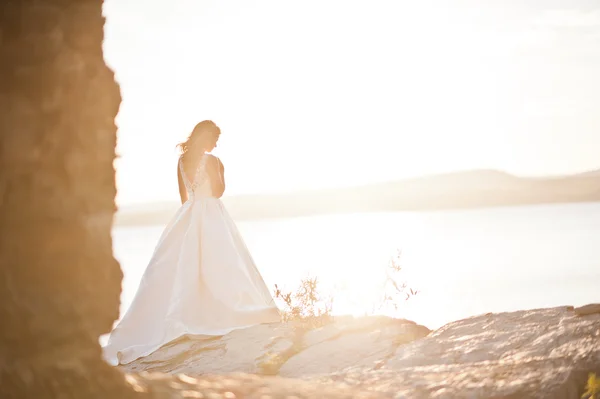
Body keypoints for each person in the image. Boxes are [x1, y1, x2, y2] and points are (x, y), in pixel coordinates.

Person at [103, 120, 280, 365]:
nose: (216, 144)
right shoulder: (213, 161)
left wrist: (193, 214)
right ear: (206, 137)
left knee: (180, 266)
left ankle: (182, 313)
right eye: (215, 139)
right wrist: (219, 169)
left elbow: (183, 197)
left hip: (188, 215)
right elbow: (218, 192)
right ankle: (215, 312)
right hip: (212, 215)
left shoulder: (181, 162)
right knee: (223, 262)